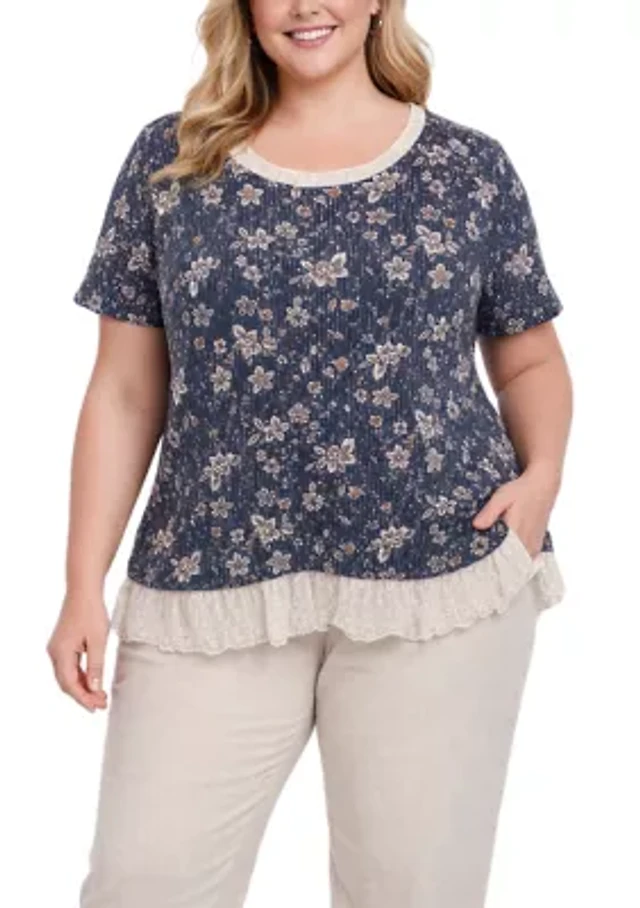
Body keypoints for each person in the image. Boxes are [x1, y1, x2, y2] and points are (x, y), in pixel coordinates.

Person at [47, 1, 573, 905]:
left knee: (412, 888)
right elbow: (125, 390)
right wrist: (80, 585)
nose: (304, 5)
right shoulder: (172, 162)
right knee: (145, 879)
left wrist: (544, 479)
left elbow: (528, 357)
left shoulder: (467, 168)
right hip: (211, 575)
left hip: (439, 579)